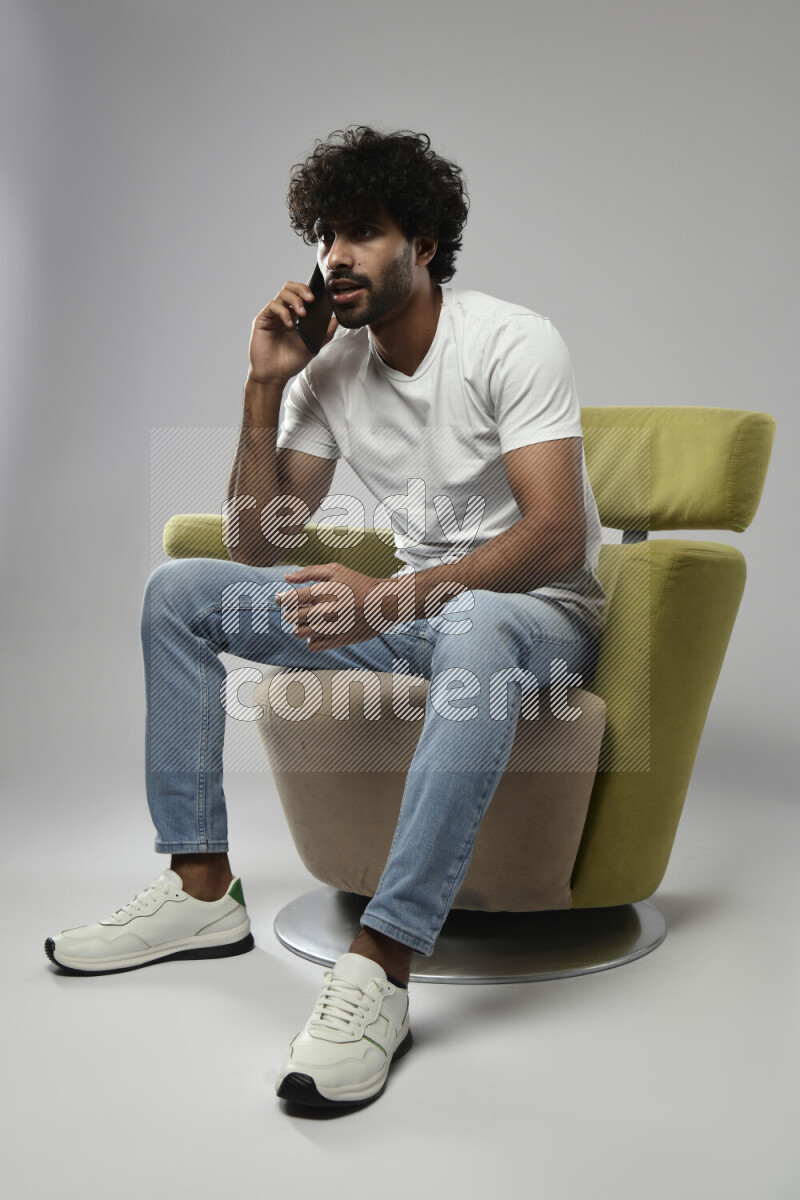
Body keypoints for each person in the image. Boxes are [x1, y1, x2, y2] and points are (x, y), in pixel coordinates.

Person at [45, 126, 606, 1109]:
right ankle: (199, 892)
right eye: (323, 234)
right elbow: (260, 540)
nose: (332, 257)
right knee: (179, 594)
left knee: (477, 624)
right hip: (427, 612)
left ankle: (380, 965)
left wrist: (383, 598)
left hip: (530, 618)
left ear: (422, 244)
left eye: (362, 233)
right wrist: (264, 384)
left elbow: (557, 539)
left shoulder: (511, 340)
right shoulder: (329, 371)